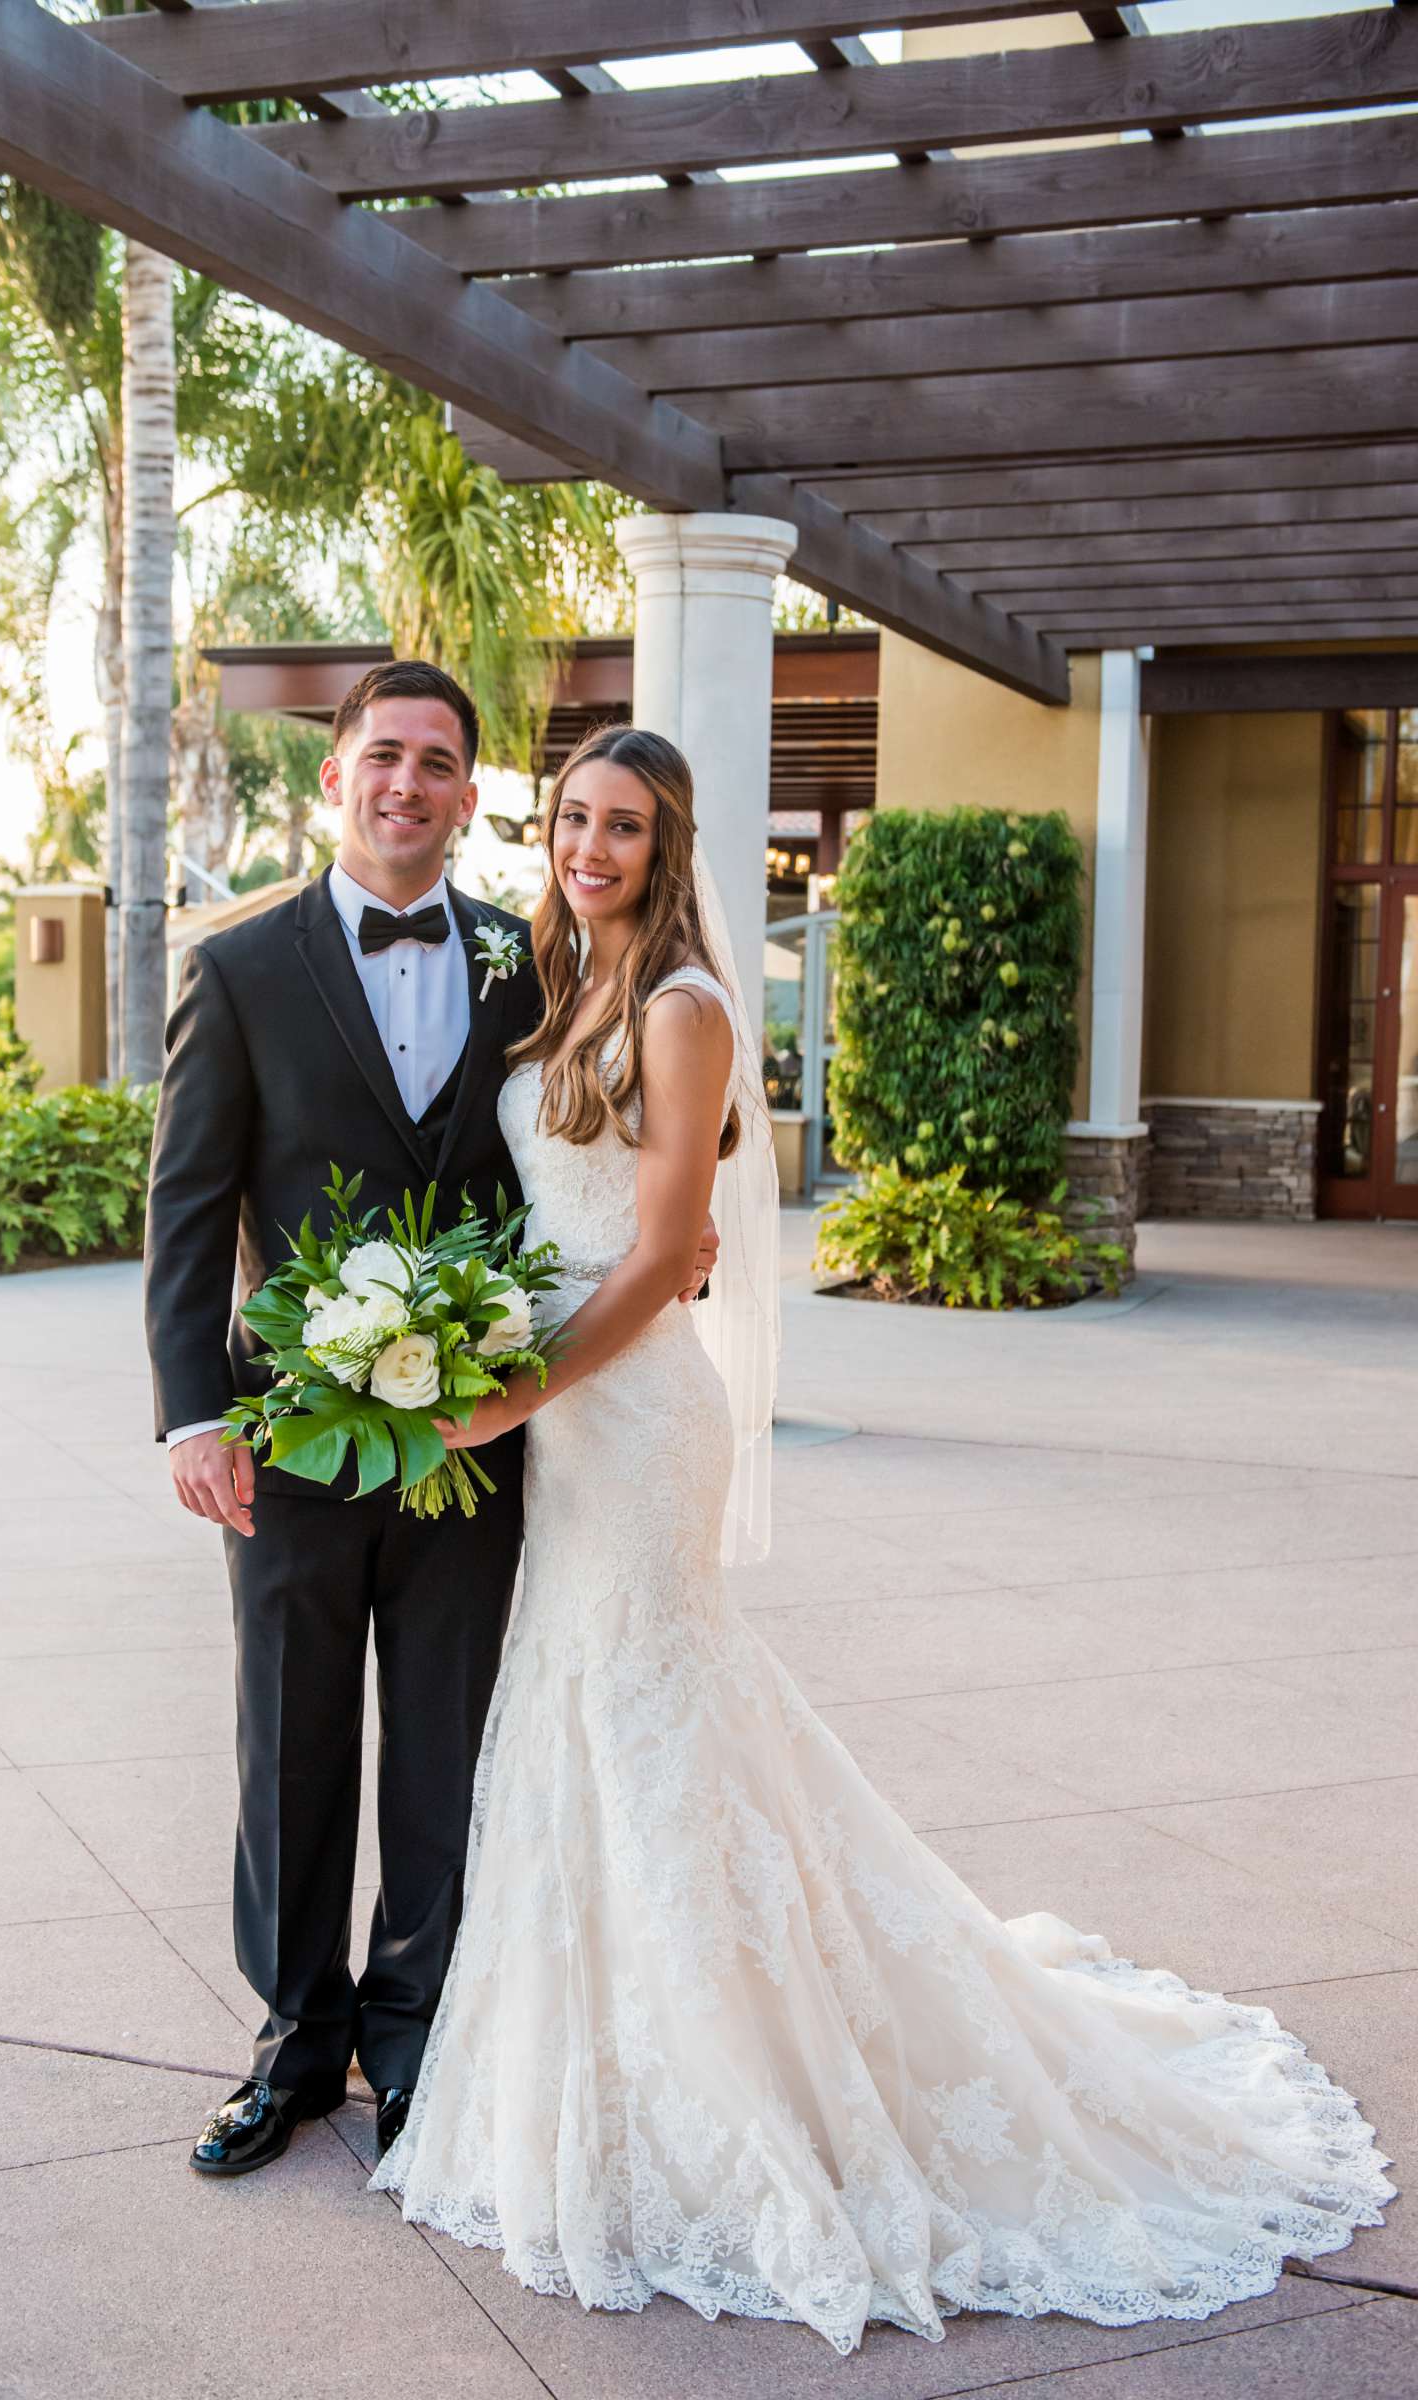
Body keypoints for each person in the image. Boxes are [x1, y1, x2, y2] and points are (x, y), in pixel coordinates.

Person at [369, 723, 1394, 2355]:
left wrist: (514, 1393)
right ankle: (594, 2069)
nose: (591, 846)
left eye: (624, 827)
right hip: (554, 1415)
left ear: (670, 845)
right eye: (572, 818)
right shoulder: (559, 993)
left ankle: (732, 2095)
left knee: (646, 1716)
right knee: (578, 1716)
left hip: (628, 1424)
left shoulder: (690, 1011)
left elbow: (654, 1259)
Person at [143, 660, 721, 2177]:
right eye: (383, 755)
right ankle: (291, 2049)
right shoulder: (239, 966)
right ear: (336, 776)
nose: (408, 783)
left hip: (487, 1439)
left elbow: (630, 1131)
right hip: (293, 1433)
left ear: (472, 797)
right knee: (294, 1737)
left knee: (453, 1744)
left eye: (439, 763)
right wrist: (192, 1416)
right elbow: (188, 1211)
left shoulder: (531, 960)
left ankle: (419, 2047)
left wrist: (682, 1236)